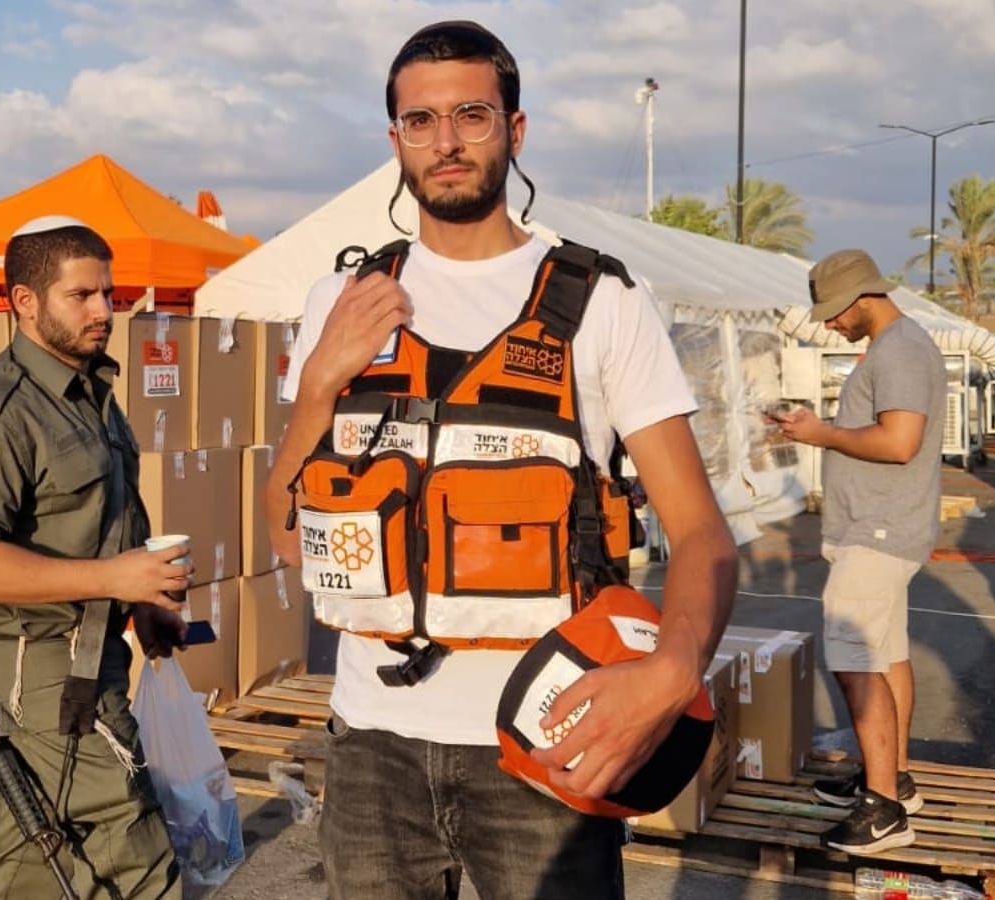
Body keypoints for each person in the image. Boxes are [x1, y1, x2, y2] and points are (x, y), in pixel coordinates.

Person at [263, 21, 736, 899]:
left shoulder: (603, 302)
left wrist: (674, 668)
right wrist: (320, 382)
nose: (445, 142)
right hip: (371, 748)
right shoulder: (339, 299)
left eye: (471, 115)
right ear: (395, 139)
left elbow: (702, 532)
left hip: (547, 739)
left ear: (515, 130)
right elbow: (291, 543)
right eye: (420, 121)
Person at [0, 216, 188, 899]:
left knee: (37, 860)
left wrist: (140, 599)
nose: (105, 311)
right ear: (25, 302)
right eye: (83, 296)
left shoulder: (86, 392)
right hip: (38, 673)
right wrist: (112, 578)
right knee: (137, 853)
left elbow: (104, 515)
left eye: (108, 292)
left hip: (94, 658)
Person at [775, 249, 946, 855]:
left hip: (878, 532)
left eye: (833, 313)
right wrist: (820, 425)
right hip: (884, 529)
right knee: (886, 652)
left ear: (863, 298)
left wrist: (819, 433)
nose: (828, 324)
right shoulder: (902, 344)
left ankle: (884, 814)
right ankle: (891, 779)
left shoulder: (899, 349)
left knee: (855, 659)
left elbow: (900, 442)